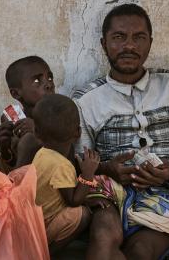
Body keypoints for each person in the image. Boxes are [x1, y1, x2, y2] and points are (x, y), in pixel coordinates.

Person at [74, 3, 169, 259]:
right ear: (103, 43)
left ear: (150, 43)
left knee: (141, 251)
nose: (129, 46)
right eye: (119, 37)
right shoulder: (86, 100)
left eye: (138, 37)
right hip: (109, 195)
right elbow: (79, 165)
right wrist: (108, 169)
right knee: (103, 238)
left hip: (163, 195)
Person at [32, 94, 103, 256]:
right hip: (44, 225)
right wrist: (88, 173)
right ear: (78, 132)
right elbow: (73, 201)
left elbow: (60, 191)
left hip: (33, 220)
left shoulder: (42, 153)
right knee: (82, 215)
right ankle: (46, 254)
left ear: (36, 133)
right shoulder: (62, 166)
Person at [0, 56, 55, 171]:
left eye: (50, 78)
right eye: (37, 81)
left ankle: (16, 187)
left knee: (30, 140)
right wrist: (4, 147)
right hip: (23, 176)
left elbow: (67, 154)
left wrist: (38, 132)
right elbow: (13, 162)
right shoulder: (13, 119)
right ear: (16, 94)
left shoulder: (61, 113)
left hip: (53, 179)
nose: (48, 85)